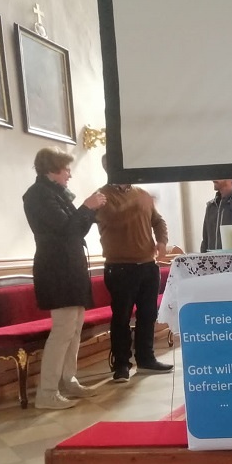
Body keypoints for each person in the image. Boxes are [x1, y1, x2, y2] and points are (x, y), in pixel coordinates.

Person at [22, 148, 107, 409]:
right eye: (66, 169)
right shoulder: (38, 195)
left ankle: (68, 380)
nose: (69, 174)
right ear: (52, 168)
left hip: (70, 268)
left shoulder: (57, 193)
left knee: (75, 327)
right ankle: (47, 393)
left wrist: (89, 211)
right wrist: (87, 207)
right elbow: (66, 229)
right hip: (56, 270)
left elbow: (77, 230)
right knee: (62, 330)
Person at [96, 154, 173, 382]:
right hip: (119, 267)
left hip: (147, 265)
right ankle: (121, 365)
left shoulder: (141, 194)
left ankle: (146, 359)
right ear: (109, 168)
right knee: (121, 317)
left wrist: (162, 241)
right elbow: (115, 219)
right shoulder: (101, 197)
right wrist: (138, 203)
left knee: (148, 314)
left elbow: (158, 221)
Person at [200, 179, 232, 252]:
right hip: (212, 258)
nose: (213, 178)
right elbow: (205, 242)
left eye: (219, 174)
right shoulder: (211, 206)